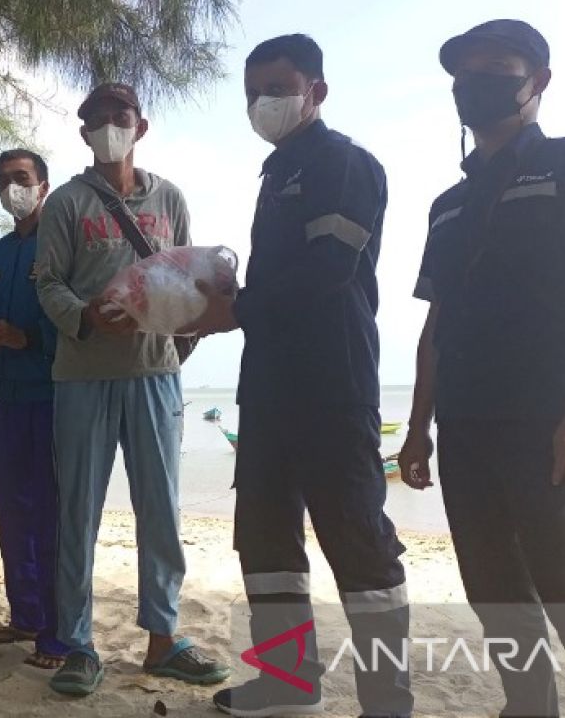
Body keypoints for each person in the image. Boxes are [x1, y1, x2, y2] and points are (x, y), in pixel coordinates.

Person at [398, 19, 565, 718]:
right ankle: (528, 706)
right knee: (494, 587)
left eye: (497, 68)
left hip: (549, 418)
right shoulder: (449, 206)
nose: (478, 85)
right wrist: (417, 431)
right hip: (466, 424)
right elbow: (436, 326)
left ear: (538, 81)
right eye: (464, 75)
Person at [187, 35, 411, 717]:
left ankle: (387, 700)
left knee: (358, 543)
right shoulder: (275, 173)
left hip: (332, 386)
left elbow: (329, 270)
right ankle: (288, 684)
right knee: (264, 538)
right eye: (253, 92)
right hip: (269, 388)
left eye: (279, 87)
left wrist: (236, 309)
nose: (264, 103)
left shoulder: (344, 164)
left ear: (317, 90)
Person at [35, 83, 230, 696]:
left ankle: (164, 638)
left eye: (120, 118)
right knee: (78, 511)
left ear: (140, 127)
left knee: (162, 511)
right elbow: (48, 285)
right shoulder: (66, 202)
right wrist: (88, 318)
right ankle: (76, 644)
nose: (109, 127)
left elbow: (186, 281)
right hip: (84, 376)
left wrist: (192, 331)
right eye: (97, 120)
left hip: (154, 375)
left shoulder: (168, 197)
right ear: (84, 131)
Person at [0, 149, 70, 668]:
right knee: (9, 511)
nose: (13, 188)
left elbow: (73, 323)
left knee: (52, 517)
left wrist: (25, 337)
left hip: (52, 400)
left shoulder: (62, 245)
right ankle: (25, 615)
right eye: (4, 180)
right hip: (4, 401)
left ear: (43, 185)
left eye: (22, 178)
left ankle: (56, 635)